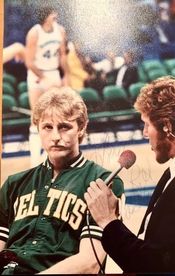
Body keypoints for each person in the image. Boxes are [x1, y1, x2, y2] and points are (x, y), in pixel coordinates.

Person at [85, 76, 175, 273]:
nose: (145, 133)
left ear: (167, 127)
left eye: (147, 124)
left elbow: (154, 265)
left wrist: (108, 221)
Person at [0, 87, 124, 274]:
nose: (56, 137)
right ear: (37, 129)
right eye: (47, 127)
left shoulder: (102, 181)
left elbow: (91, 262)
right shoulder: (14, 184)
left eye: (64, 127)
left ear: (81, 128)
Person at [25, 6, 69, 168]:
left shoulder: (60, 31)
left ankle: (49, 158)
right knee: (36, 117)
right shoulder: (34, 33)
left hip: (53, 73)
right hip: (37, 74)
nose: (55, 16)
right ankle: (34, 161)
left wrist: (65, 78)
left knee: (57, 116)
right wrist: (43, 78)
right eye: (52, 14)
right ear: (46, 17)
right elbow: (29, 61)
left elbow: (63, 56)